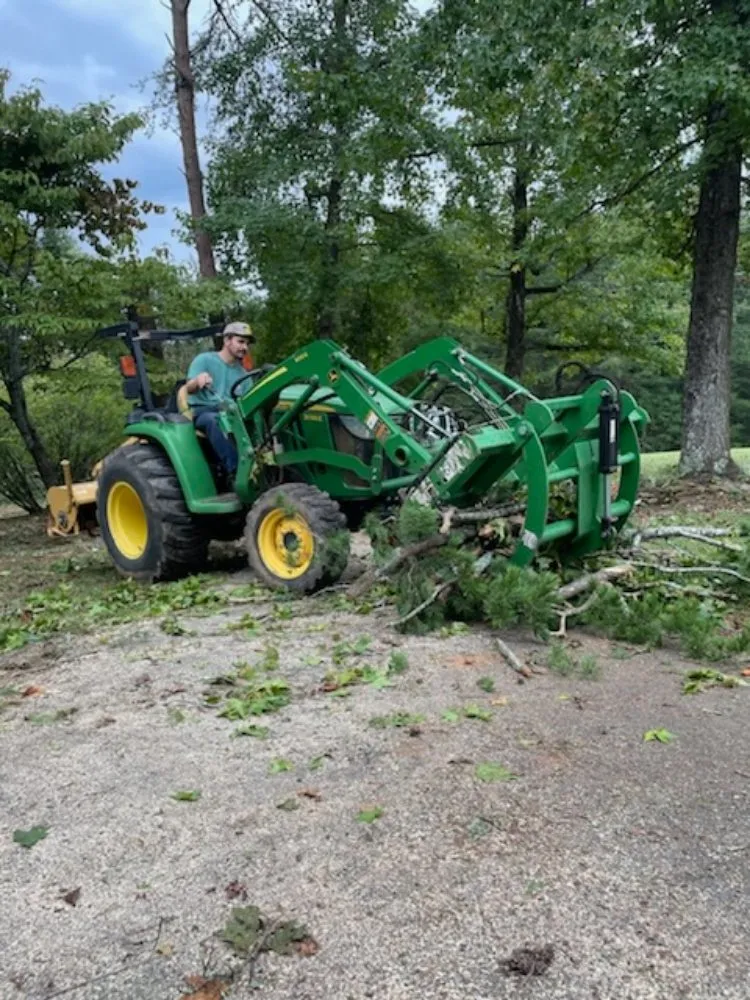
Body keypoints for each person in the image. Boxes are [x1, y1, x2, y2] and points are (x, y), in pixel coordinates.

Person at [184, 321, 254, 476]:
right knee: (214, 420)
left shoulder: (243, 374)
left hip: (233, 412)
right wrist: (197, 381)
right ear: (227, 340)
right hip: (204, 411)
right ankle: (238, 472)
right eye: (240, 342)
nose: (245, 347)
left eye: (247, 344)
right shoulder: (204, 360)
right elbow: (187, 388)